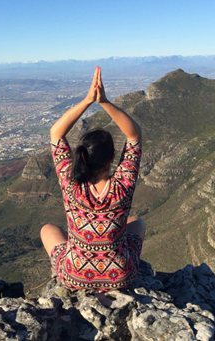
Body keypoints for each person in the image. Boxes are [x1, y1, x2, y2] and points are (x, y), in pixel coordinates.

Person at [40, 66, 145, 291]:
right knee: (137, 222)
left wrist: (88, 100)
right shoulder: (122, 187)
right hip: (120, 277)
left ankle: (74, 262)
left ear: (82, 157)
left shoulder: (71, 184)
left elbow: (55, 134)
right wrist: (104, 101)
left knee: (48, 229)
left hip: (75, 276)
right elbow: (134, 135)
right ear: (112, 158)